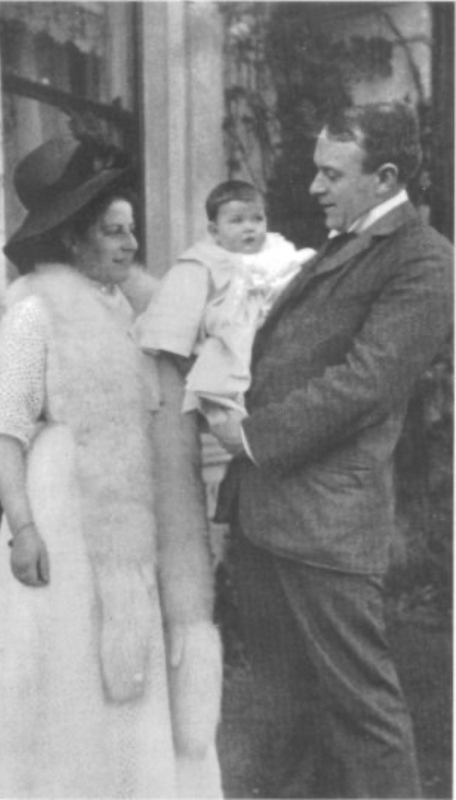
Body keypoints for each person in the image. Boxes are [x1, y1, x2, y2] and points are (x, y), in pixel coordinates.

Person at [209, 101, 453, 798]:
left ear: (382, 177)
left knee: (362, 713)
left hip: (326, 527)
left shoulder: (424, 260)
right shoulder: (341, 243)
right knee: (283, 714)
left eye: (329, 173)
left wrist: (252, 435)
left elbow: (365, 384)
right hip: (268, 517)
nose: (313, 187)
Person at [0, 136, 223, 798]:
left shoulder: (144, 312)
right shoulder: (36, 309)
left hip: (131, 521)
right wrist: (23, 525)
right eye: (112, 232)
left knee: (130, 669)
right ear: (74, 238)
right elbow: (3, 428)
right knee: (65, 672)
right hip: (61, 515)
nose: (128, 244)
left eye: (131, 230)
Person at [136, 180, 314, 421]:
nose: (250, 228)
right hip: (223, 356)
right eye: (237, 221)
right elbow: (174, 324)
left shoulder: (280, 255)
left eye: (257, 219)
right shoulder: (202, 263)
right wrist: (195, 375)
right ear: (214, 231)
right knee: (229, 420)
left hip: (274, 352)